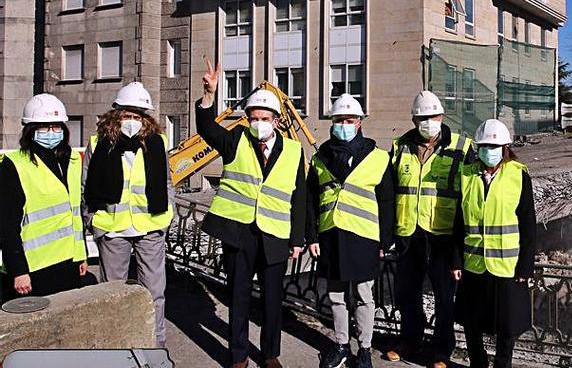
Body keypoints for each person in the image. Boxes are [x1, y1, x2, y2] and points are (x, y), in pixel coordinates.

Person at [198, 60, 307, 368]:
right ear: (247, 119)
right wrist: (209, 95)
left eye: (264, 118)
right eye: (253, 117)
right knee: (238, 297)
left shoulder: (295, 151)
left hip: (274, 234)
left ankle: (270, 354)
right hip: (239, 233)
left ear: (276, 120)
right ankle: (238, 355)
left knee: (273, 301)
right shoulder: (236, 140)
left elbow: (299, 197)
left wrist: (297, 238)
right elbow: (207, 128)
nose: (258, 122)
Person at [305, 94, 395, 368]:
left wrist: (385, 239)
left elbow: (388, 201)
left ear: (359, 123)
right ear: (332, 123)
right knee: (336, 296)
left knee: (364, 296)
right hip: (331, 236)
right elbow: (311, 200)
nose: (344, 124)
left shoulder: (379, 157)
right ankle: (342, 345)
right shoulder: (321, 158)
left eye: (350, 120)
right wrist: (312, 236)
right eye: (339, 120)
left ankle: (365, 349)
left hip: (364, 238)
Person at [82, 82, 174, 347]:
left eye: (137, 116)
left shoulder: (157, 142)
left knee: (154, 293)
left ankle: (155, 347)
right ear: (116, 116)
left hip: (151, 226)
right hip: (112, 228)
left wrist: (168, 217)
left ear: (145, 119)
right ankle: (116, 347)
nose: (131, 121)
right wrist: (91, 221)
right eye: (127, 115)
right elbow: (85, 186)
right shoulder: (98, 143)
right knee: (112, 294)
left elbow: (167, 183)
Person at [387, 91, 474, 368]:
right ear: (414, 119)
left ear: (441, 116)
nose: (428, 122)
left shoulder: (461, 147)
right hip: (408, 233)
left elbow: (469, 196)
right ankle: (410, 341)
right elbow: (389, 191)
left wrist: (462, 245)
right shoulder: (400, 146)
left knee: (443, 295)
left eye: (433, 116)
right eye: (422, 118)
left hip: (443, 235)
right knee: (406, 292)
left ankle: (441, 350)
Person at [451, 119, 536, 368]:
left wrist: (526, 266)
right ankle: (478, 363)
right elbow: (458, 223)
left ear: (505, 147)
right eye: (485, 145)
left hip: (506, 265)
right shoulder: (466, 175)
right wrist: (456, 260)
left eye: (494, 145)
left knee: (506, 324)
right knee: (472, 320)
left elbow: (528, 225)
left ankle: (502, 364)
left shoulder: (519, 176)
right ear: (478, 148)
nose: (489, 150)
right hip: (473, 264)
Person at [0, 94, 87, 299]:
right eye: (44, 127)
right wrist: (18, 271)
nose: (51, 132)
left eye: (56, 126)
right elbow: (6, 225)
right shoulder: (15, 165)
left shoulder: (72, 160)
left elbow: (75, 214)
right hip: (33, 268)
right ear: (31, 131)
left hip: (67, 262)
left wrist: (80, 255)